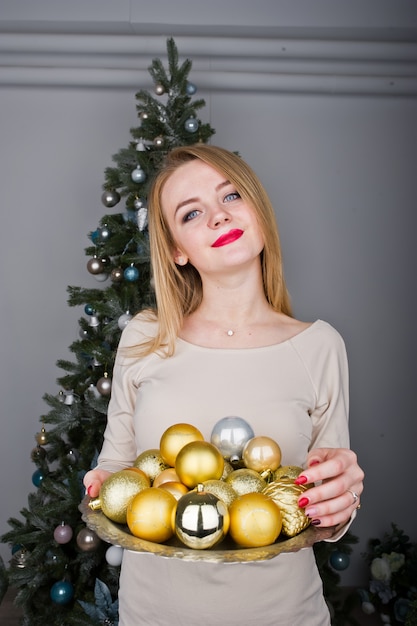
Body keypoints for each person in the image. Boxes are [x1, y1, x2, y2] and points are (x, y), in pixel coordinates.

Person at [84, 144, 364, 626]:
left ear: (256, 208)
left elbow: (326, 508)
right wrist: (104, 483)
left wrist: (340, 500)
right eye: (192, 213)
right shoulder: (145, 338)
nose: (218, 216)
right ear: (176, 249)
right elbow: (116, 463)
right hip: (153, 614)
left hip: (284, 614)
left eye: (231, 196)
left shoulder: (319, 346)